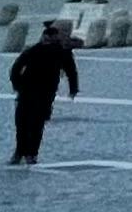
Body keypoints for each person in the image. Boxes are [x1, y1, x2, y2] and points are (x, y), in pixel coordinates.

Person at [7, 22, 79, 166]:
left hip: (36, 91)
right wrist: (73, 89)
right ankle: (26, 153)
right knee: (29, 123)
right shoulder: (57, 52)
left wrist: (17, 84)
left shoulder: (43, 50)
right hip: (37, 91)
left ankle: (24, 153)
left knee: (29, 123)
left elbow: (16, 67)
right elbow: (71, 72)